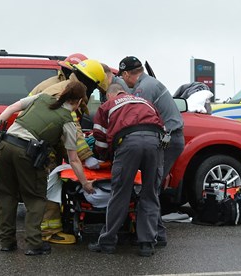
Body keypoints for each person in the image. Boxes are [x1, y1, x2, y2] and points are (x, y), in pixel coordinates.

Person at [0, 81, 95, 256]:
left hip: (5, 145)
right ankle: (34, 244)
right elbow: (74, 159)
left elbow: (12, 107)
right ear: (78, 102)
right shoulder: (67, 120)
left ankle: (7, 242)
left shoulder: (42, 97)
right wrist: (85, 183)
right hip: (27, 153)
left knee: (6, 195)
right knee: (35, 198)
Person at [35, 59, 109, 244]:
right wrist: (88, 157)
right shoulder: (66, 92)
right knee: (49, 186)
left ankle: (42, 229)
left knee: (44, 187)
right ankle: (49, 233)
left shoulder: (62, 85)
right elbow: (73, 129)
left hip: (36, 140)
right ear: (90, 84)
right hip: (41, 145)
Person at [88, 83, 165, 257]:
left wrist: (105, 158)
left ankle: (107, 242)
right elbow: (162, 125)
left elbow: (100, 138)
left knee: (120, 193)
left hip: (128, 143)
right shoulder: (145, 102)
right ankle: (146, 243)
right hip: (155, 143)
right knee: (150, 193)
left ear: (110, 95)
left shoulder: (107, 106)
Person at [116, 56, 185, 247]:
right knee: (151, 188)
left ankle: (150, 237)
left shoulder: (143, 89)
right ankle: (157, 234)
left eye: (123, 76)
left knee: (150, 188)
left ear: (128, 74)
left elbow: (137, 118)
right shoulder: (148, 83)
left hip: (168, 140)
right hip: (169, 138)